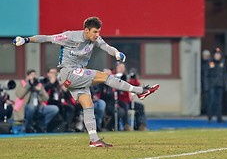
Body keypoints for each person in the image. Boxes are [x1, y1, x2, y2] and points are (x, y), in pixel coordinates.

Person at [13, 16, 159, 147]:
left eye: (99, 32)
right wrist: (25, 40)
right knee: (104, 76)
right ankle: (140, 91)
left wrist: (116, 53)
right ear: (87, 30)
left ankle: (94, 140)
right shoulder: (70, 36)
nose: (98, 35)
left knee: (88, 105)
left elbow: (106, 47)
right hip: (68, 72)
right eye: (95, 32)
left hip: (78, 75)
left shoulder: (96, 39)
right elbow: (46, 38)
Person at [204, 49, 227, 123]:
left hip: (220, 85)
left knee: (219, 103)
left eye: (219, 54)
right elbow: (206, 75)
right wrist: (206, 86)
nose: (217, 56)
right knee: (211, 102)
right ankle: (209, 117)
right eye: (216, 54)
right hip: (212, 85)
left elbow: (224, 75)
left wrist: (226, 85)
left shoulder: (222, 63)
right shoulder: (210, 62)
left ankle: (219, 118)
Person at [200, 50, 211, 114]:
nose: (205, 57)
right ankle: (203, 109)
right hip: (202, 82)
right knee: (203, 98)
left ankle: (208, 110)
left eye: (206, 55)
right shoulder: (200, 62)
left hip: (208, 83)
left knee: (208, 97)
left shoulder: (211, 63)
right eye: (204, 55)